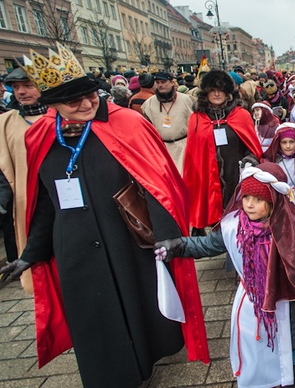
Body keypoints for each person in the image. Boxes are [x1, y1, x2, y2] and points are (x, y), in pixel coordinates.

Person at [0, 43, 209, 387]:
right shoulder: (38, 136)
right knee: (94, 319)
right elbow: (44, 204)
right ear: (52, 104)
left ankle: (143, 365)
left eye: (89, 95)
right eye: (73, 101)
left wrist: (168, 234)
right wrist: (30, 255)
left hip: (124, 239)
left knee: (137, 307)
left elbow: (155, 182)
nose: (86, 104)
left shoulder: (126, 122)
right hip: (76, 248)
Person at [154, 163, 295, 388]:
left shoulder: (293, 228)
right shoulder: (234, 227)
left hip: (289, 312)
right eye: (246, 197)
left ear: (273, 199)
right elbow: (207, 245)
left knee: (287, 364)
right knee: (256, 359)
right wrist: (180, 245)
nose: (249, 204)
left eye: (258, 199)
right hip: (250, 307)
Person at [183, 70, 262, 236]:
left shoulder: (241, 115)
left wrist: (250, 159)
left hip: (236, 172)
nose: (217, 93)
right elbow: (193, 153)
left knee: (239, 211)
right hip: (208, 175)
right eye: (212, 90)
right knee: (215, 213)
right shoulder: (197, 119)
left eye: (220, 89)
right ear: (206, 93)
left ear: (228, 92)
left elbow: (252, 146)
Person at [0, 67, 49, 292]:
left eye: (28, 86)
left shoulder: (59, 114)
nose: (21, 92)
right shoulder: (6, 122)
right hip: (27, 198)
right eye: (16, 87)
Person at [262, 122, 295, 230]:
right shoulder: (275, 161)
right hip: (284, 197)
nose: (288, 146)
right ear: (278, 143)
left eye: (291, 142)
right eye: (284, 142)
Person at [141, 71, 194, 174]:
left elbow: (195, 123)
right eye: (158, 82)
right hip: (162, 149)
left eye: (163, 82)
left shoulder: (185, 100)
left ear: (171, 82)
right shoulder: (149, 103)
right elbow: (147, 129)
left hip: (184, 147)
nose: (160, 85)